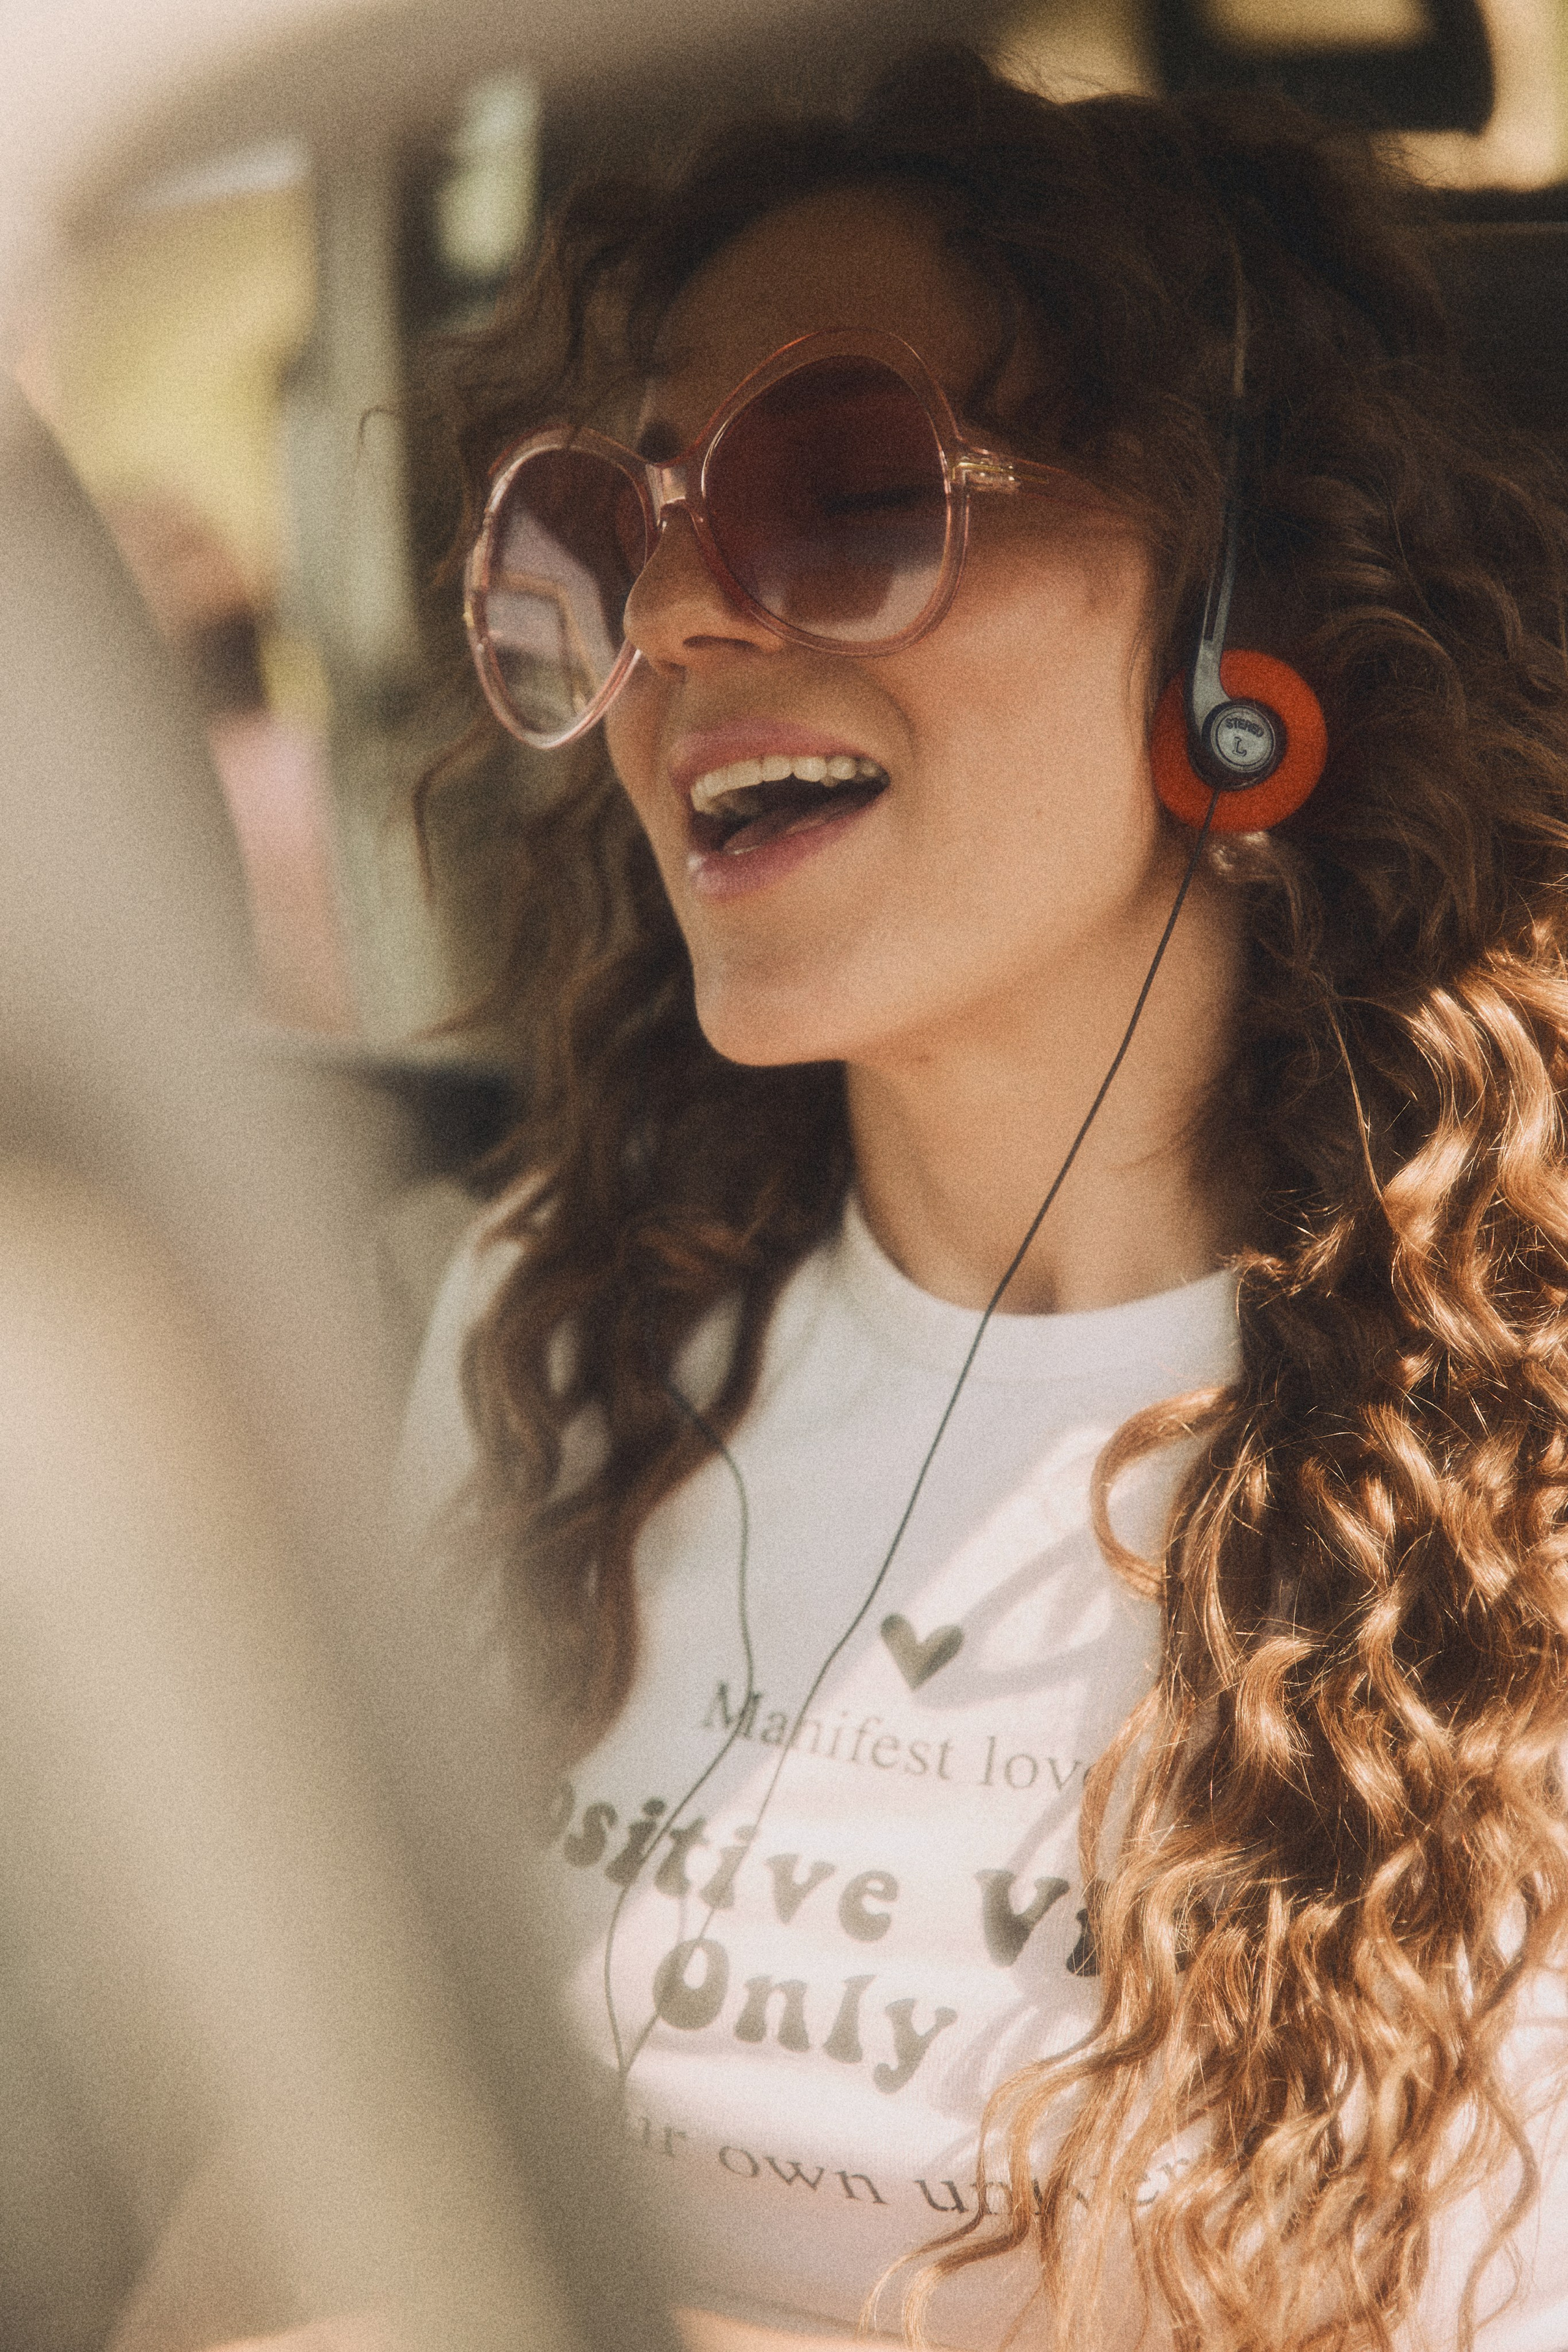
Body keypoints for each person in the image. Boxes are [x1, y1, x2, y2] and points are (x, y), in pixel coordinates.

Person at [402, 44, 1568, 2352]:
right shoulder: (551, 1324)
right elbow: (301, 2192)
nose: (682, 628)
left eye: (836, 494)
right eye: (612, 540)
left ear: (1239, 602)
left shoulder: (1520, 1433)